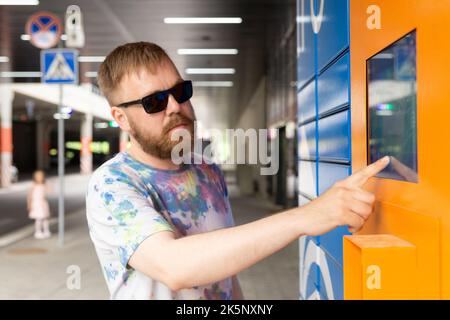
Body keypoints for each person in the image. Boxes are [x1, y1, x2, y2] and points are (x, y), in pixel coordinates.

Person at [86, 42, 390, 300]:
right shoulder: (112, 185)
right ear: (121, 118)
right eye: (154, 102)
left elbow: (224, 276)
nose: (175, 106)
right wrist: (308, 216)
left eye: (181, 91)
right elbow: (174, 267)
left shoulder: (206, 169)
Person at [27, 170, 51, 239]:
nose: (40, 178)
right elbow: (29, 196)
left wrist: (48, 185)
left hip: (43, 203)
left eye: (41, 176)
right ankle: (38, 231)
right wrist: (29, 205)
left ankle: (46, 230)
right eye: (38, 176)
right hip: (36, 204)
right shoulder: (33, 185)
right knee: (39, 218)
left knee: (45, 218)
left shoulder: (44, 185)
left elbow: (49, 192)